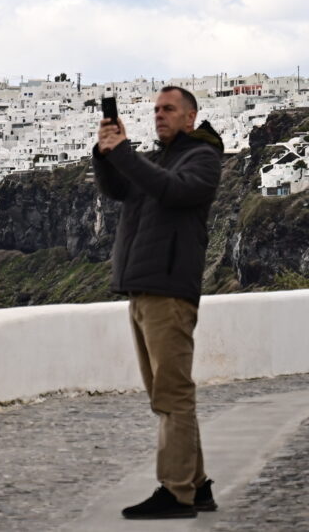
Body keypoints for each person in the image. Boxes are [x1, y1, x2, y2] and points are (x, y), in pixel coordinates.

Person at [93, 86, 224, 520]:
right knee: (165, 395)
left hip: (168, 290)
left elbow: (174, 192)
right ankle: (197, 485)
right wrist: (105, 151)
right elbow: (120, 189)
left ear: (191, 117)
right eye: (155, 110)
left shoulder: (201, 158)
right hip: (144, 288)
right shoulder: (162, 159)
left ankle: (176, 491)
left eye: (168, 109)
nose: (159, 116)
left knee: (173, 396)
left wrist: (126, 152)